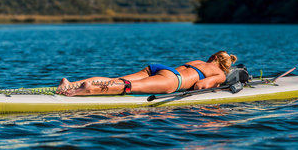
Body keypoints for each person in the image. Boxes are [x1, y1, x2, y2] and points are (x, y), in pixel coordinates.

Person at [57, 51, 237, 96]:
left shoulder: (199, 62)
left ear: (213, 57)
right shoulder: (219, 74)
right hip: (172, 80)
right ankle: (89, 89)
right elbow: (199, 86)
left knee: (117, 80)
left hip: (160, 68)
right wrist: (217, 85)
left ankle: (69, 84)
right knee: (128, 87)